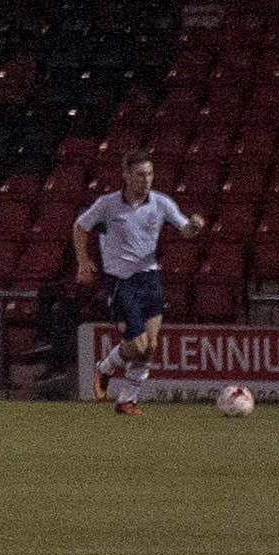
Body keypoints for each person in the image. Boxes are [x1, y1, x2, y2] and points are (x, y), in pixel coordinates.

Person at [69, 152, 202, 416]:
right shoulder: (107, 205)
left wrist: (194, 227)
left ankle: (127, 400)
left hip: (150, 278)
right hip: (121, 281)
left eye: (149, 174)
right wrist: (83, 262)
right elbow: (80, 226)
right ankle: (105, 367)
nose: (146, 180)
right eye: (140, 174)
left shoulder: (161, 203)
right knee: (136, 347)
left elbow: (184, 229)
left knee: (151, 346)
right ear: (126, 176)